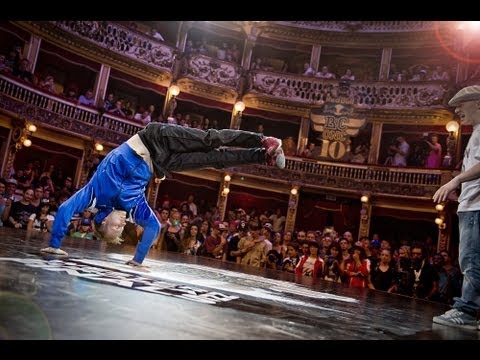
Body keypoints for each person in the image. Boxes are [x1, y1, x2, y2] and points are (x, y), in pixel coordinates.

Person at [40, 123, 285, 267]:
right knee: (215, 159)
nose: (122, 226)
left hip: (154, 139)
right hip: (161, 163)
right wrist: (137, 260)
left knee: (210, 140)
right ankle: (264, 155)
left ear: (103, 220)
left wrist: (54, 245)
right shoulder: (134, 208)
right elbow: (154, 228)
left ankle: (263, 140)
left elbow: (64, 210)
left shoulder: (93, 196)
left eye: (115, 229)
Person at [432, 85, 480, 330]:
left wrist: (456, 180)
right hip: (471, 204)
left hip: (475, 207)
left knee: (471, 260)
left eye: (462, 104)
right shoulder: (476, 132)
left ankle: (466, 311)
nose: (458, 110)